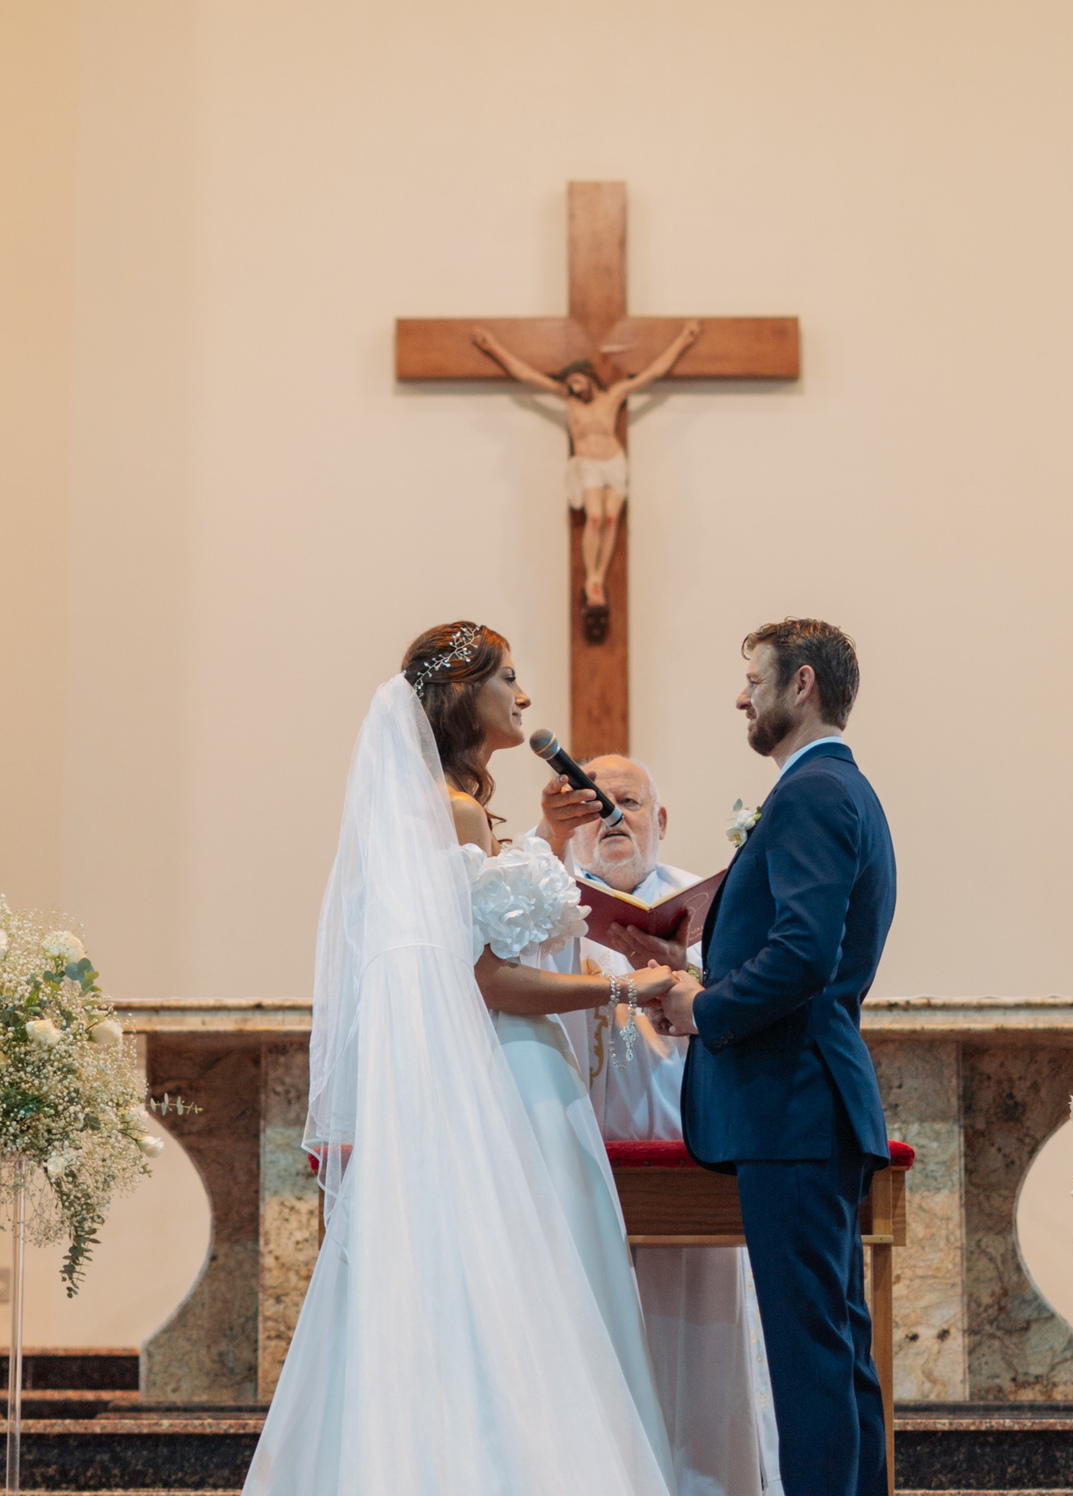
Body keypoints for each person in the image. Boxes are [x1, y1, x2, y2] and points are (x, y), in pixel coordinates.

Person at [243, 625, 676, 1496]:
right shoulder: (456, 810)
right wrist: (623, 988)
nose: (525, 696)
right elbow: (488, 980)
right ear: (460, 695)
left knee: (489, 1295)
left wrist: (548, 844)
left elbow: (483, 939)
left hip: (496, 1072)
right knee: (540, 1297)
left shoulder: (436, 807)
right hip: (511, 1074)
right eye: (507, 678)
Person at [656, 619, 897, 1496]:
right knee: (831, 1346)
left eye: (753, 681)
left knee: (808, 1357)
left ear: (802, 684)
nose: (740, 698)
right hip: (807, 1101)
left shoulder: (813, 793)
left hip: (792, 1103)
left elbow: (802, 956)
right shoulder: (841, 788)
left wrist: (701, 1008)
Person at [535, 754, 777, 1496]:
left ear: (661, 819)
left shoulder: (712, 908)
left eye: (630, 802)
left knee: (701, 1348)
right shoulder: (548, 905)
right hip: (584, 1162)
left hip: (691, 1161)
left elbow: (754, 1008)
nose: (613, 816)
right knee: (593, 1346)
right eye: (596, 804)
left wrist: (688, 974)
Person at [471, 323, 701, 634]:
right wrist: (492, 346)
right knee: (594, 518)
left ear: (589, 377)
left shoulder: (613, 395)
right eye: (571, 385)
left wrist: (684, 340)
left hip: (614, 463)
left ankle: (599, 577)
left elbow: (653, 372)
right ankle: (591, 576)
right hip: (588, 465)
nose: (576, 389)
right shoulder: (569, 401)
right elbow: (526, 374)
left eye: (578, 382)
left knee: (610, 518)